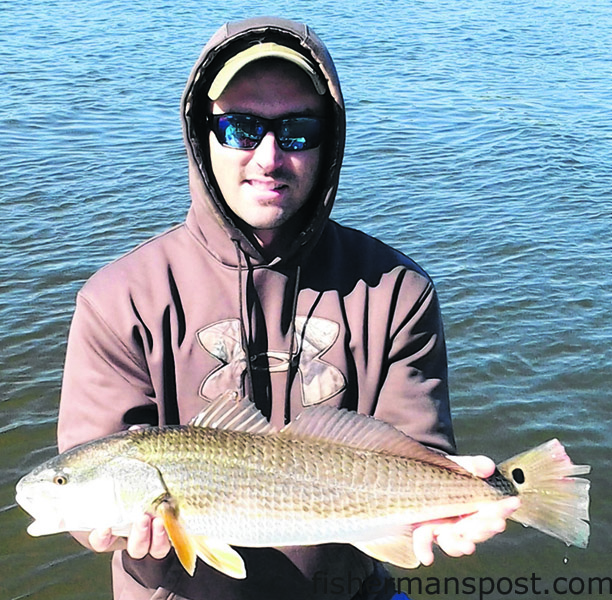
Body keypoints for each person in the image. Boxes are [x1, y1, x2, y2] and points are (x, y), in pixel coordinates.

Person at [57, 16, 519, 600]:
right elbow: (81, 496)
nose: (269, 156)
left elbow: (415, 451)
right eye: (241, 127)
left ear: (330, 141)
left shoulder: (398, 289)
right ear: (203, 134)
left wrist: (454, 500)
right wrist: (97, 530)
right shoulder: (117, 299)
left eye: (298, 130)